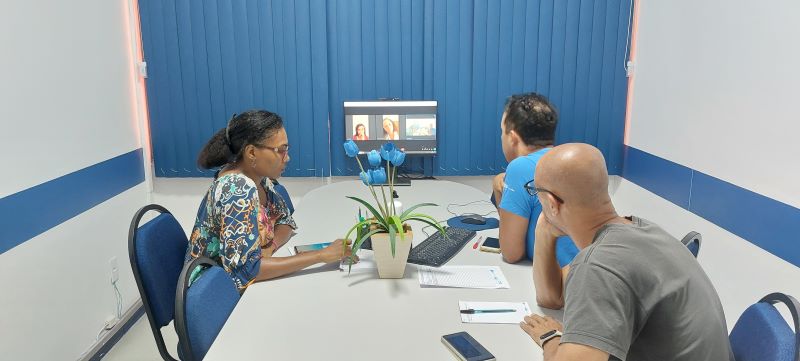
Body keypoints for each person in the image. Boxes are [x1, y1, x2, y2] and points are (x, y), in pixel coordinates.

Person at [520, 143, 734, 361]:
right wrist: (544, 234)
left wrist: (550, 337)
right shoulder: (641, 230)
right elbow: (552, 298)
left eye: (536, 192)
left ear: (551, 202)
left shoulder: (598, 264)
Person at [188, 110, 352, 291]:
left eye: (286, 149)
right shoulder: (237, 189)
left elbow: (285, 220)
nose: (287, 157)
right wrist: (321, 255)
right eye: (280, 150)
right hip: (212, 294)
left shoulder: (259, 179)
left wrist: (271, 247)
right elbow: (246, 271)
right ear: (251, 153)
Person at [493, 93, 579, 270]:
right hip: (587, 273)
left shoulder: (520, 168)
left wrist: (497, 189)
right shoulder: (568, 161)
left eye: (502, 132)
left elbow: (511, 253)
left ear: (513, 138)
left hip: (565, 284)